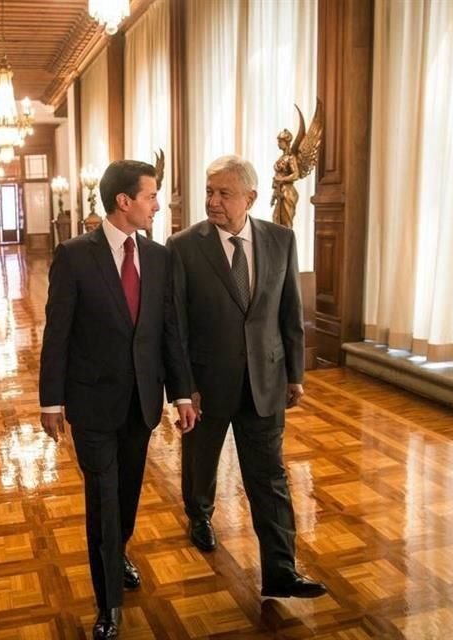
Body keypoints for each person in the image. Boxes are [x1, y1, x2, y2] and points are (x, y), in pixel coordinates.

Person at [40, 160, 198, 639]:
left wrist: (182, 394)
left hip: (142, 403)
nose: (157, 204)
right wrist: (50, 401)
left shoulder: (157, 256)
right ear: (124, 201)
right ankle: (108, 606)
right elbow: (58, 333)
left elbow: (169, 331)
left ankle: (118, 553)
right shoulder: (74, 255)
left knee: (126, 496)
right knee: (103, 501)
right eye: (151, 196)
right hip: (91, 405)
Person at [166, 155, 326, 599]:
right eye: (209, 191)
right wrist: (183, 389)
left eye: (224, 193)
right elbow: (175, 325)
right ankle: (199, 514)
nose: (213, 201)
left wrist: (295, 373)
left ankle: (281, 571)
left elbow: (289, 312)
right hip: (206, 385)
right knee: (201, 464)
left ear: (250, 198)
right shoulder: (182, 246)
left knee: (270, 478)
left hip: (266, 382)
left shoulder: (281, 240)